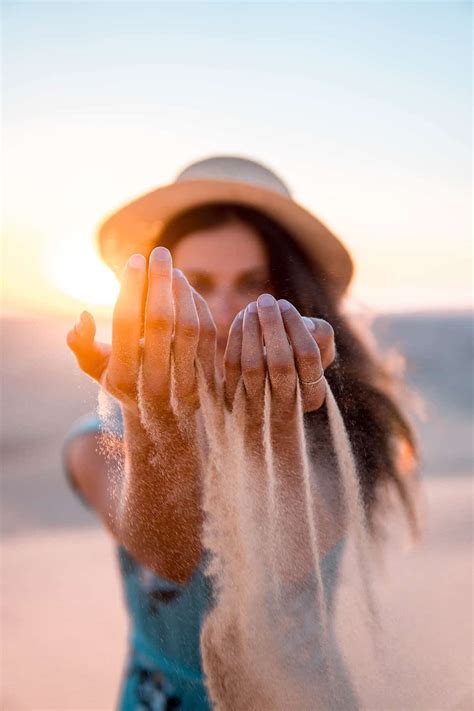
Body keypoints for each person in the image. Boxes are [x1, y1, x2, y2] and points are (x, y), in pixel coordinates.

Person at [64, 156, 417, 710]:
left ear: (297, 295)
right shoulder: (96, 442)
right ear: (155, 299)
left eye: (253, 284)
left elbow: (281, 558)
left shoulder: (346, 431)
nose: (225, 311)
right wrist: (158, 414)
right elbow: (173, 554)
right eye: (197, 284)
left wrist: (265, 433)